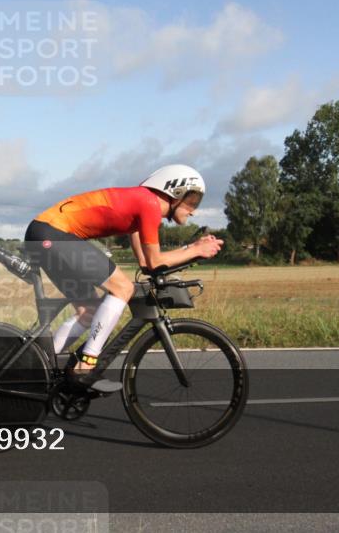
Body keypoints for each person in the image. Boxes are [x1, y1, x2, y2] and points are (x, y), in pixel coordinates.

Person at [23, 164, 224, 390]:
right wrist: (195, 249)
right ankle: (86, 365)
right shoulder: (148, 203)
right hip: (52, 234)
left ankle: (38, 367)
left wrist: (191, 251)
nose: (194, 210)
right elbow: (156, 260)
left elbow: (148, 263)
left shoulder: (141, 207)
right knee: (123, 288)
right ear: (175, 191)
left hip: (43, 232)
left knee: (88, 312)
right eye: (193, 201)